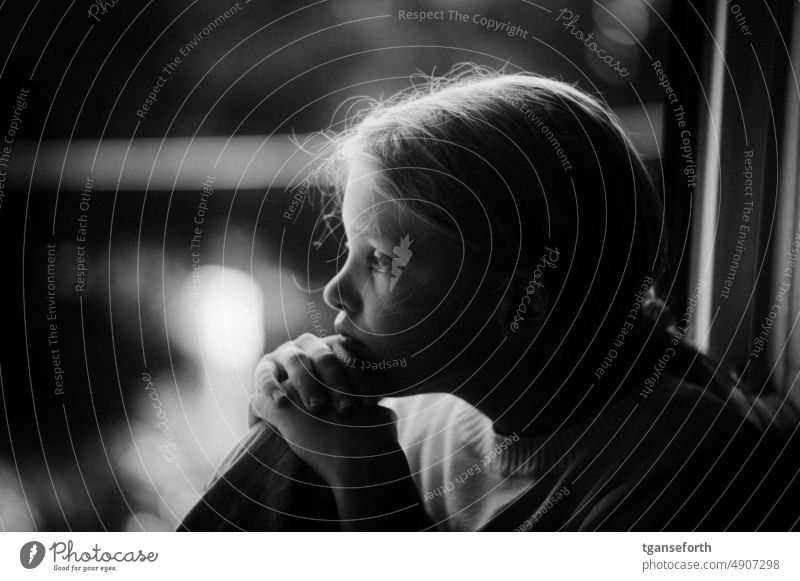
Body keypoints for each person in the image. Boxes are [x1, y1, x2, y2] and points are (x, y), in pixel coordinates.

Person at [246, 65, 791, 531]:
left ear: (523, 306)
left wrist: (364, 476)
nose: (334, 290)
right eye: (347, 249)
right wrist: (285, 411)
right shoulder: (430, 419)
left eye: (382, 261)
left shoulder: (685, 466)